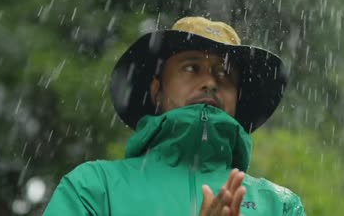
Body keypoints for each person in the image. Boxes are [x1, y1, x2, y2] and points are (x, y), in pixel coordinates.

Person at [43, 17, 306, 216]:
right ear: (157, 90)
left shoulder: (279, 205)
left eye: (224, 74)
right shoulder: (94, 188)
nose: (210, 83)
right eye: (192, 68)